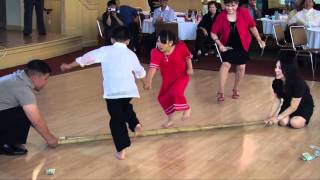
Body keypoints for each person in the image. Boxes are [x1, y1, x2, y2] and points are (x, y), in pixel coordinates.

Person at [60, 27, 146, 160]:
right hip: (129, 90)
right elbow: (140, 72)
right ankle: (135, 124)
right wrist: (145, 83)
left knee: (116, 119)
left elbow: (85, 59)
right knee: (125, 107)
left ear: (112, 39)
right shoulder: (131, 54)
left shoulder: (105, 50)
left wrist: (69, 66)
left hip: (113, 92)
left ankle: (121, 150)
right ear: (128, 41)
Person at [0, 60, 58, 156]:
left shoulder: (17, 78)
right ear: (35, 78)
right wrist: (50, 139)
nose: (46, 82)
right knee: (25, 113)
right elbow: (36, 120)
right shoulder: (22, 88)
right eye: (46, 79)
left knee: (22, 110)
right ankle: (4, 144)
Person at [211, 0, 265, 102]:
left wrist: (259, 39)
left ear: (237, 4)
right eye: (227, 5)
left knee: (241, 66)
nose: (230, 8)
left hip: (242, 44)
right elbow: (213, 33)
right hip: (227, 45)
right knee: (225, 64)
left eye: (233, 5)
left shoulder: (243, 12)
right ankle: (221, 91)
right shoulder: (221, 15)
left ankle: (236, 88)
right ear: (224, 5)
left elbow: (252, 26)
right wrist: (220, 44)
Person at [144, 30, 193, 128]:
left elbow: (187, 57)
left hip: (182, 76)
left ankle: (187, 109)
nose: (159, 44)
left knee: (175, 93)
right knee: (163, 98)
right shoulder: (155, 52)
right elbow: (153, 68)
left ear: (170, 43)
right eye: (158, 41)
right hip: (167, 80)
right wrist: (148, 81)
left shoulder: (181, 46)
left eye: (162, 42)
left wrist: (190, 68)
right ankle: (170, 120)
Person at [265, 52, 314, 129]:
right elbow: (277, 100)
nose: (275, 70)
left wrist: (277, 118)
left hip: (303, 105)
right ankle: (289, 117)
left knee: (294, 123)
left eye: (279, 68)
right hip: (288, 104)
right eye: (276, 67)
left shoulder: (298, 83)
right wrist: (270, 116)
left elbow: (294, 106)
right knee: (283, 122)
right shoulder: (276, 82)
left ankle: (299, 118)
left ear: (288, 69)